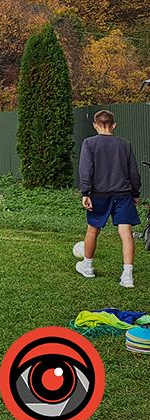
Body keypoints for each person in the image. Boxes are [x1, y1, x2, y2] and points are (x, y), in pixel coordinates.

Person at [76, 110, 140, 289]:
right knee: (125, 232)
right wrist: (135, 193)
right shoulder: (124, 145)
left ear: (95, 125)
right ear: (114, 125)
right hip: (123, 194)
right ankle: (127, 275)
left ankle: (87, 266)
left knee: (92, 230)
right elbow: (133, 172)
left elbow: (85, 170)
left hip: (98, 194)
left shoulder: (89, 143)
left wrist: (86, 193)